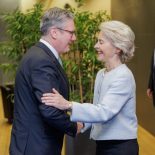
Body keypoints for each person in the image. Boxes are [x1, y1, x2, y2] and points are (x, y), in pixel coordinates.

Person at [41, 20, 139, 155]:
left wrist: (68, 105)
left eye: (101, 42)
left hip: (120, 147)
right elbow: (97, 107)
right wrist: (81, 125)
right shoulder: (101, 73)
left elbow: (104, 112)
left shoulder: (123, 76)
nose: (95, 45)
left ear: (118, 47)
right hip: (102, 144)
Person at [9, 7, 83, 155]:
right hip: (36, 147)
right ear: (54, 32)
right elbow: (49, 110)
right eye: (71, 33)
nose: (74, 38)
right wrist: (74, 126)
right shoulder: (41, 61)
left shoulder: (40, 54)